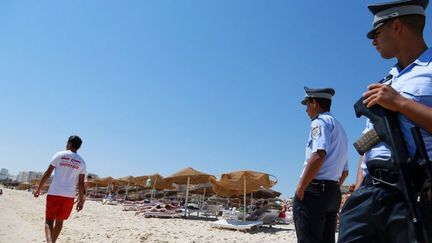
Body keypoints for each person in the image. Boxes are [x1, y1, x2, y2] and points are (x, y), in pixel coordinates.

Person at [338, 0, 432, 242]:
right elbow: (370, 140)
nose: (373, 41)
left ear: (397, 26)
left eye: (376, 33)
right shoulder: (387, 79)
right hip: (370, 193)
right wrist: (359, 188)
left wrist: (400, 103)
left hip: (415, 194)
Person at [294, 87, 349, 243]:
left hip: (315, 190)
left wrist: (301, 188)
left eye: (307, 104)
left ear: (314, 103)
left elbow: (319, 154)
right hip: (332, 192)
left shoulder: (319, 122)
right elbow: (345, 172)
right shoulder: (341, 129)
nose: (306, 110)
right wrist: (332, 188)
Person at [34, 135, 87, 243]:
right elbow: (81, 183)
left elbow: (47, 173)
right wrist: (81, 201)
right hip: (69, 196)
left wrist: (38, 189)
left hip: (54, 192)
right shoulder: (82, 162)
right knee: (60, 222)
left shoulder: (59, 155)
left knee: (49, 221)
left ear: (70, 143)